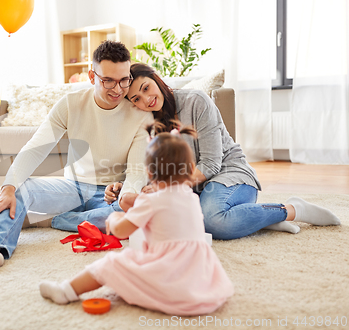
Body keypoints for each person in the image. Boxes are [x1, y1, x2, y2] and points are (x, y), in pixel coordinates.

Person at [0, 41, 153, 275]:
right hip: (72, 187)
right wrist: (8, 186)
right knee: (19, 190)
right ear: (92, 76)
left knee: (130, 214)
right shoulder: (70, 104)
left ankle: (48, 221)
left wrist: (127, 197)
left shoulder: (140, 116)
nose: (118, 89)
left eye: (124, 80)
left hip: (111, 194)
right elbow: (35, 148)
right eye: (108, 81)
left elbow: (136, 171)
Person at [107, 63, 341, 240]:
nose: (146, 99)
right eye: (136, 98)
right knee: (160, 211)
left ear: (156, 79)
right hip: (195, 189)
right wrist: (127, 186)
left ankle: (291, 209)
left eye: (146, 88)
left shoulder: (195, 101)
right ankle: (256, 219)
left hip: (229, 174)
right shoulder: (147, 125)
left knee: (213, 221)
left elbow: (211, 163)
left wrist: (168, 189)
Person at [39, 124, 234, 316]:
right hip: (199, 280)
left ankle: (66, 291)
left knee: (112, 263)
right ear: (191, 168)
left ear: (149, 172)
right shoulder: (191, 198)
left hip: (170, 276)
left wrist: (115, 218)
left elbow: (122, 231)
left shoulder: (150, 201)